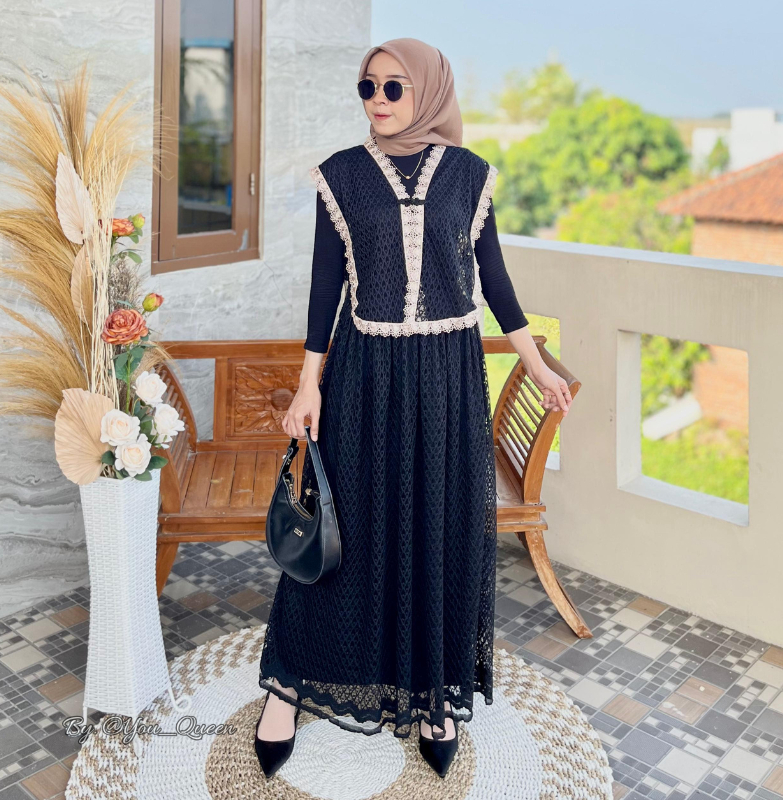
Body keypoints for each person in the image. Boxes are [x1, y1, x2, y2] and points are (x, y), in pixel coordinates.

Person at [254, 37, 573, 780]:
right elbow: (325, 288)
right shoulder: (341, 176)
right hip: (363, 374)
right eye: (367, 86)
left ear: (427, 91)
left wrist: (534, 360)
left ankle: (434, 692)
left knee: (442, 526)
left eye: (394, 87)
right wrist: (308, 385)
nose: (377, 99)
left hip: (447, 379)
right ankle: (288, 687)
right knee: (349, 527)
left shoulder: (469, 175)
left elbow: (493, 278)